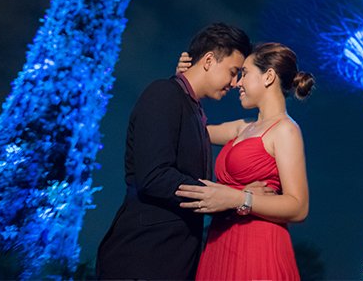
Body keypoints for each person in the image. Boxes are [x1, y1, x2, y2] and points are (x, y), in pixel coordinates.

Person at [96, 22, 252, 280]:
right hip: (142, 257)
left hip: (171, 260)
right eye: (233, 72)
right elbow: (154, 176)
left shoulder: (194, 112)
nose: (235, 83)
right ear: (209, 60)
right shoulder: (163, 94)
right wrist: (228, 199)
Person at [175, 42, 314, 280]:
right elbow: (188, 130)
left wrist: (239, 198)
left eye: (245, 74)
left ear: (268, 76)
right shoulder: (242, 128)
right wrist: (183, 83)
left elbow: (299, 207)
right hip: (220, 244)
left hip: (258, 248)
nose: (237, 83)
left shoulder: (285, 130)